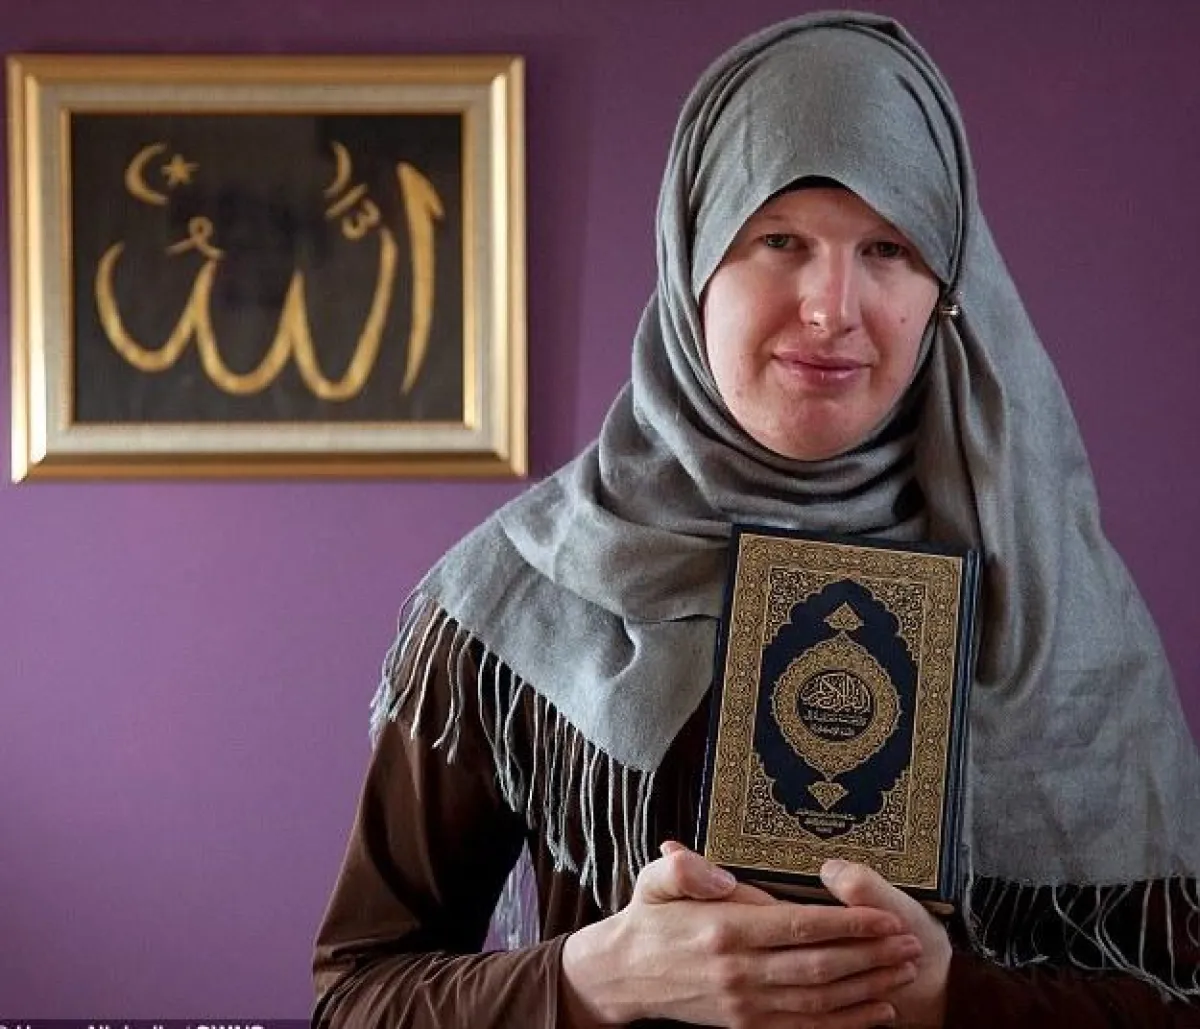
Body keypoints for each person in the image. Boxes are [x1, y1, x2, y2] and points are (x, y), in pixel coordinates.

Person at [312, 11, 1200, 1027]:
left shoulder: (1052, 598)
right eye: (780, 240)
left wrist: (951, 998)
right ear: (692, 260)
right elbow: (358, 994)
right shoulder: (518, 596)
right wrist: (596, 976)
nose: (833, 306)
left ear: (945, 289)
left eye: (889, 248)